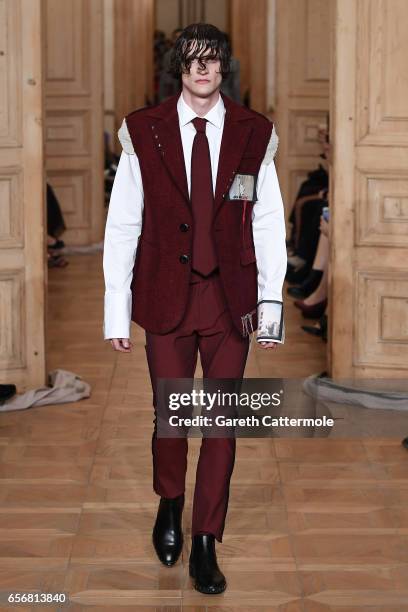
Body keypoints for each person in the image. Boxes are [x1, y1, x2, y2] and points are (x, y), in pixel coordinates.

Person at [103, 22, 287, 595]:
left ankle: (206, 538)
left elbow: (266, 221)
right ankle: (169, 500)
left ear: (223, 67)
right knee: (172, 419)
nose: (202, 70)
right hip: (166, 298)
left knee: (223, 424)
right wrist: (116, 308)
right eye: (191, 61)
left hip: (231, 299)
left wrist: (272, 305)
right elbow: (123, 224)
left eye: (211, 61)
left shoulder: (255, 134)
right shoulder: (144, 130)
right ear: (178, 69)